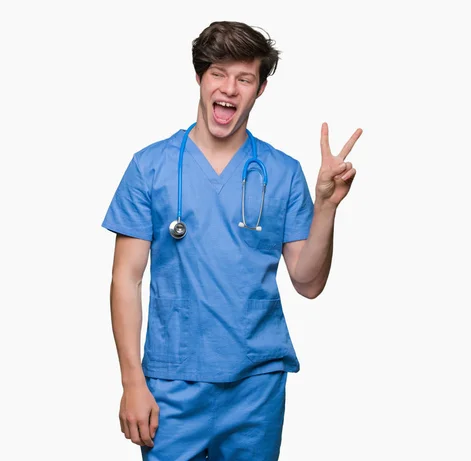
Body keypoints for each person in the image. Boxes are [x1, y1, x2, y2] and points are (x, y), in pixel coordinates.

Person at [102, 20, 362, 460]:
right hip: (171, 385)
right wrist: (132, 381)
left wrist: (327, 207)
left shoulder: (282, 173)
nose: (230, 88)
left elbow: (308, 282)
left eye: (245, 78)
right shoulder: (149, 167)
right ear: (200, 78)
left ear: (259, 89)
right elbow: (125, 280)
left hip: (256, 387)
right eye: (218, 73)